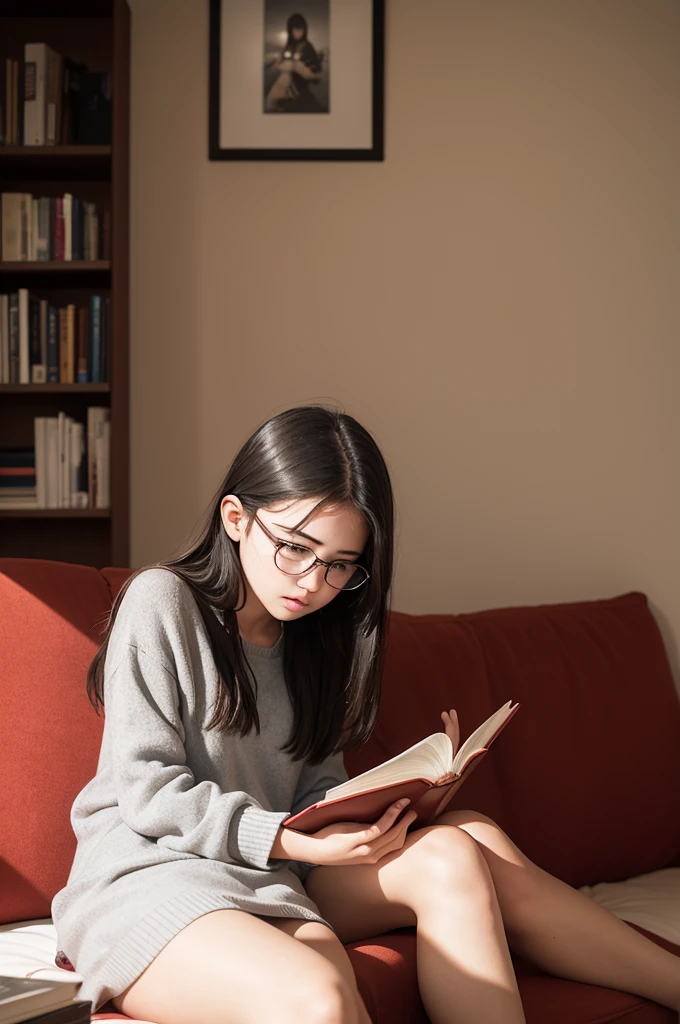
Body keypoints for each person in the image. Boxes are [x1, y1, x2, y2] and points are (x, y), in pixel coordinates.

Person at [52, 405, 680, 1024]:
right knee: (322, 1000)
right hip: (156, 870)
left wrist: (401, 796)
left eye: (339, 565)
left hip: (272, 870)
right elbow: (148, 791)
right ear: (237, 518)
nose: (312, 581)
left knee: (461, 846)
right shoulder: (162, 601)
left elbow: (314, 790)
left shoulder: (315, 638)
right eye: (296, 549)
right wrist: (287, 838)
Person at [265, 12, 324, 113]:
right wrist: (281, 62)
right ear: (290, 30)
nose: (299, 33)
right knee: (273, 99)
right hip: (288, 79)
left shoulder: (307, 46)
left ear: (305, 30)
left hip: (302, 81)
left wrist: (310, 68)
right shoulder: (289, 45)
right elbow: (282, 60)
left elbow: (316, 66)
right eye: (296, 30)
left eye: (301, 30)